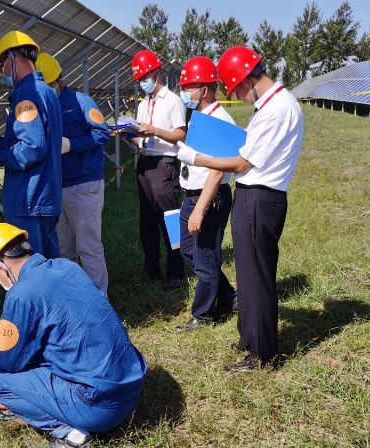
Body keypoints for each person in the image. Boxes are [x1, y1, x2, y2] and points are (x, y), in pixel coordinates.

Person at [177, 47, 304, 372]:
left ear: (247, 80)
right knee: (248, 277)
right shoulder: (274, 105)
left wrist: (197, 158)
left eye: (236, 90)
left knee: (256, 278)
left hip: (260, 197)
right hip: (255, 196)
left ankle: (262, 355)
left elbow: (243, 163)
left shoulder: (276, 109)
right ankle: (250, 337)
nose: (237, 97)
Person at [0, 223, 147, 447]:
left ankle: (71, 433)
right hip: (131, 388)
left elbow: (3, 359)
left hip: (100, 407)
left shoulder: (21, 294)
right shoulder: (67, 267)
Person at [0, 31, 63, 259]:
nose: (3, 73)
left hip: (28, 199)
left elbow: (32, 146)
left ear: (12, 58)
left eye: (2, 65)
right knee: (48, 263)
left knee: (28, 266)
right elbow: (24, 141)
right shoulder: (47, 92)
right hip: (46, 196)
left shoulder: (26, 93)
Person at [35, 52, 110, 294]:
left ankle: (99, 300)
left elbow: (102, 134)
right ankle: (76, 298)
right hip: (57, 186)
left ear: (60, 80)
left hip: (84, 184)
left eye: (49, 85)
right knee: (63, 250)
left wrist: (71, 144)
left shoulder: (81, 101)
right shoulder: (42, 107)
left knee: (88, 247)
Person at [174, 56, 237, 333]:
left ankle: (203, 315)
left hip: (209, 197)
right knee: (188, 252)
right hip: (191, 195)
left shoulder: (220, 120)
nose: (184, 92)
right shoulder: (199, 117)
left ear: (205, 89)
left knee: (205, 258)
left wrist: (200, 209)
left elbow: (217, 171)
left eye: (188, 87)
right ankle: (229, 298)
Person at [130, 49, 187, 291]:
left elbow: (180, 134)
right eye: (140, 79)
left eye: (145, 76)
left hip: (165, 165)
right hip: (145, 163)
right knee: (147, 221)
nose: (143, 82)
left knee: (170, 219)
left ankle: (176, 272)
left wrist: (155, 130)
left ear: (156, 72)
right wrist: (128, 134)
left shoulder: (173, 101)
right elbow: (142, 138)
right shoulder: (144, 104)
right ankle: (151, 267)